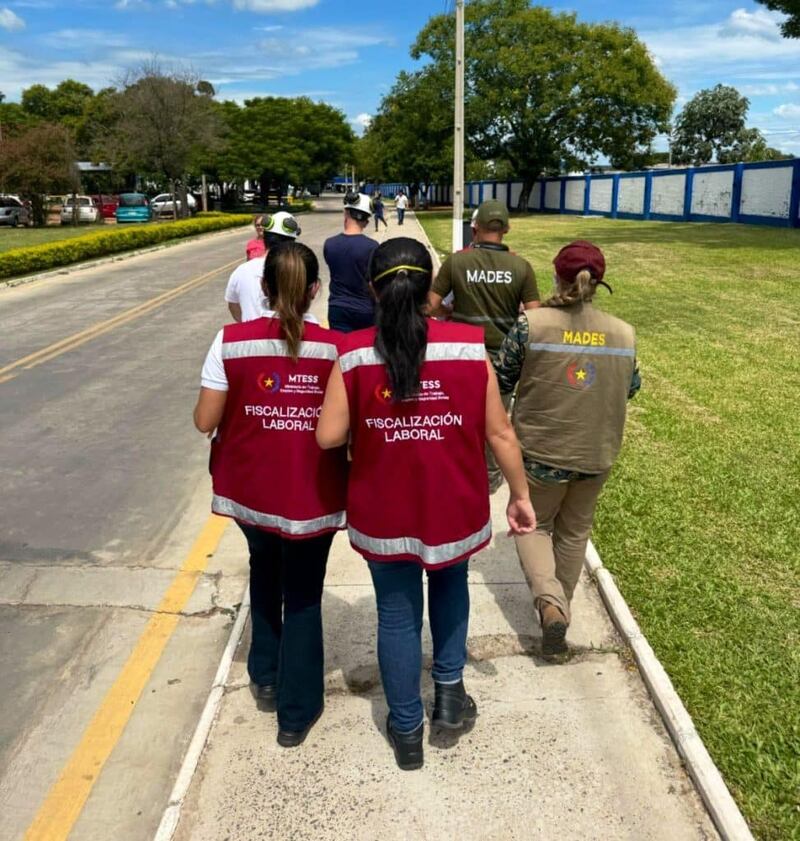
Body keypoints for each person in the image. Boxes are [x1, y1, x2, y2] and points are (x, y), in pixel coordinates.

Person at [316, 237, 536, 771]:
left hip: (383, 507)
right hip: (453, 502)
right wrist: (521, 495)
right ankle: (450, 699)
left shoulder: (354, 352)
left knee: (396, 614)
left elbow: (327, 436)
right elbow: (500, 432)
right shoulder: (468, 346)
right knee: (451, 586)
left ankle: (407, 730)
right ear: (429, 290)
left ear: (373, 290)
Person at [195, 242, 348, 747]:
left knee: (264, 569)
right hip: (314, 493)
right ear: (315, 291)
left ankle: (264, 676)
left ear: (263, 289)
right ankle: (295, 714)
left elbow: (205, 420)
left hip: (251, 493)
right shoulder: (337, 348)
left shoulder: (230, 341)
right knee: (303, 592)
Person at [494, 240, 640, 655]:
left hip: (541, 452)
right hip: (596, 453)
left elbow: (501, 379)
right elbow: (632, 386)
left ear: (556, 276)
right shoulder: (624, 333)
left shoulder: (531, 324)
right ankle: (562, 610)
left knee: (533, 525)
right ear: (599, 282)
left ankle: (551, 605)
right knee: (575, 532)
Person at [427, 198, 540, 494]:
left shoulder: (457, 262)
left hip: (461, 355)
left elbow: (431, 306)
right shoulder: (521, 267)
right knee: (496, 423)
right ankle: (488, 480)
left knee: (456, 415)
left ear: (474, 228)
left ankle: (454, 470)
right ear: (507, 229)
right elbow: (535, 318)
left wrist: (448, 313)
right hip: (503, 359)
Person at [224, 211, 301, 322]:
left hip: (249, 332)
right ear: (292, 243)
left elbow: (233, 305)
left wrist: (248, 327)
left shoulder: (241, 271)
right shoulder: (298, 271)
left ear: (265, 239)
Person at [324, 192, 379, 333]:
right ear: (366, 220)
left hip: (337, 309)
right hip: (365, 310)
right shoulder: (372, 247)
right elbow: (373, 284)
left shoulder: (329, 244)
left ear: (346, 213)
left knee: (340, 345)